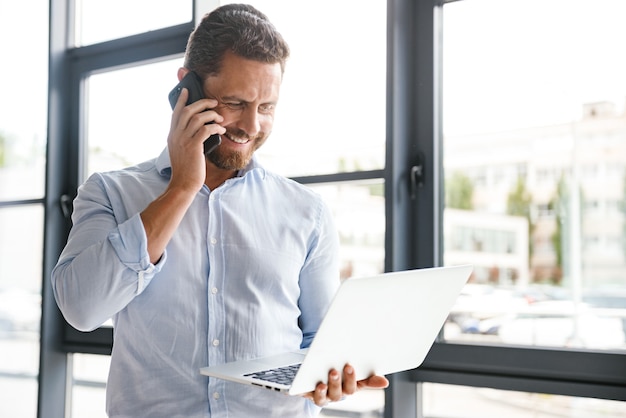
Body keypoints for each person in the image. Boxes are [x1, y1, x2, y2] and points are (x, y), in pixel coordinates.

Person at [51, 4, 388, 417]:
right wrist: (182, 188)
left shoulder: (306, 212)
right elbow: (81, 309)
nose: (251, 126)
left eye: (266, 107)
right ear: (186, 88)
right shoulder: (110, 192)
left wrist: (333, 377)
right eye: (235, 102)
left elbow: (319, 343)